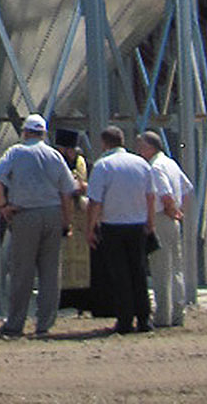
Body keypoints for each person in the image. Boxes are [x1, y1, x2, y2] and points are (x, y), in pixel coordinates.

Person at [0, 113, 76, 337]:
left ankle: (15, 323)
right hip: (52, 213)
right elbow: (68, 191)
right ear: (44, 134)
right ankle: (44, 324)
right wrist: (67, 222)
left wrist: (3, 205)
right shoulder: (54, 155)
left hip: (25, 214)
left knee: (22, 271)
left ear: (25, 132)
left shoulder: (16, 152)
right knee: (50, 273)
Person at [87, 126, 156, 335]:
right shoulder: (141, 164)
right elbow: (150, 196)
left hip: (113, 225)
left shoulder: (102, 166)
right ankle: (144, 318)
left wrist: (90, 228)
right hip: (137, 224)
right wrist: (150, 222)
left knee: (120, 274)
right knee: (139, 272)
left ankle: (125, 319)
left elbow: (95, 201)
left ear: (104, 143)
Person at [134, 130, 192, 328]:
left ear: (150, 147)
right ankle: (178, 313)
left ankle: (163, 315)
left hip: (160, 218)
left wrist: (170, 209)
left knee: (161, 270)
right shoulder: (170, 163)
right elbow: (187, 189)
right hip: (172, 221)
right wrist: (179, 212)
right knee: (176, 268)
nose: (139, 151)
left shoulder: (155, 167)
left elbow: (165, 194)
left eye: (141, 147)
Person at [53, 128, 94, 313]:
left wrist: (83, 186)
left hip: (81, 216)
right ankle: (62, 298)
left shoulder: (85, 165)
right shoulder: (54, 164)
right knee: (61, 257)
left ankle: (82, 300)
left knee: (82, 259)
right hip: (60, 214)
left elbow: (95, 188)